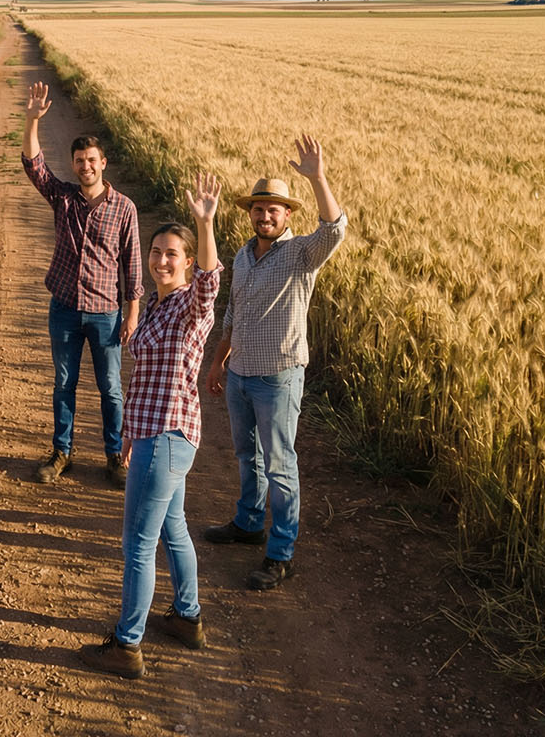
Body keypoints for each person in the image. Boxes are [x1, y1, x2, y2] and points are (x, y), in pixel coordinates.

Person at [80, 172, 223, 678]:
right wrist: (127, 438)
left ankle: (127, 644)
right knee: (173, 529)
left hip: (166, 440)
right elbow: (144, 380)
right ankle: (187, 617)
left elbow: (209, 287)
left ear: (186, 261)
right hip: (158, 436)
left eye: (172, 254)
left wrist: (205, 225)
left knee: (137, 545)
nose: (162, 261)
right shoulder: (160, 307)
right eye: (156, 252)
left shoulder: (188, 305)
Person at [203, 136, 346, 591]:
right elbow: (233, 311)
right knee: (249, 456)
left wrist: (318, 177)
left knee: (280, 466)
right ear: (250, 214)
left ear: (288, 215)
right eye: (258, 208)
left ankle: (281, 553)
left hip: (279, 378)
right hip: (241, 374)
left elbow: (336, 230)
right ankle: (248, 524)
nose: (265, 216)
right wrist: (218, 360)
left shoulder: (302, 254)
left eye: (274, 209)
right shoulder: (243, 255)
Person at [21, 82, 143, 488]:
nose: (85, 166)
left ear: (103, 162)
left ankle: (114, 456)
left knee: (110, 388)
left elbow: (132, 264)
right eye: (78, 160)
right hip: (65, 308)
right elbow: (33, 165)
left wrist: (132, 313)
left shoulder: (124, 208)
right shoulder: (64, 198)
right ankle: (62, 452)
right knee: (63, 383)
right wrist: (33, 120)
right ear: (73, 164)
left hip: (107, 312)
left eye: (91, 159)